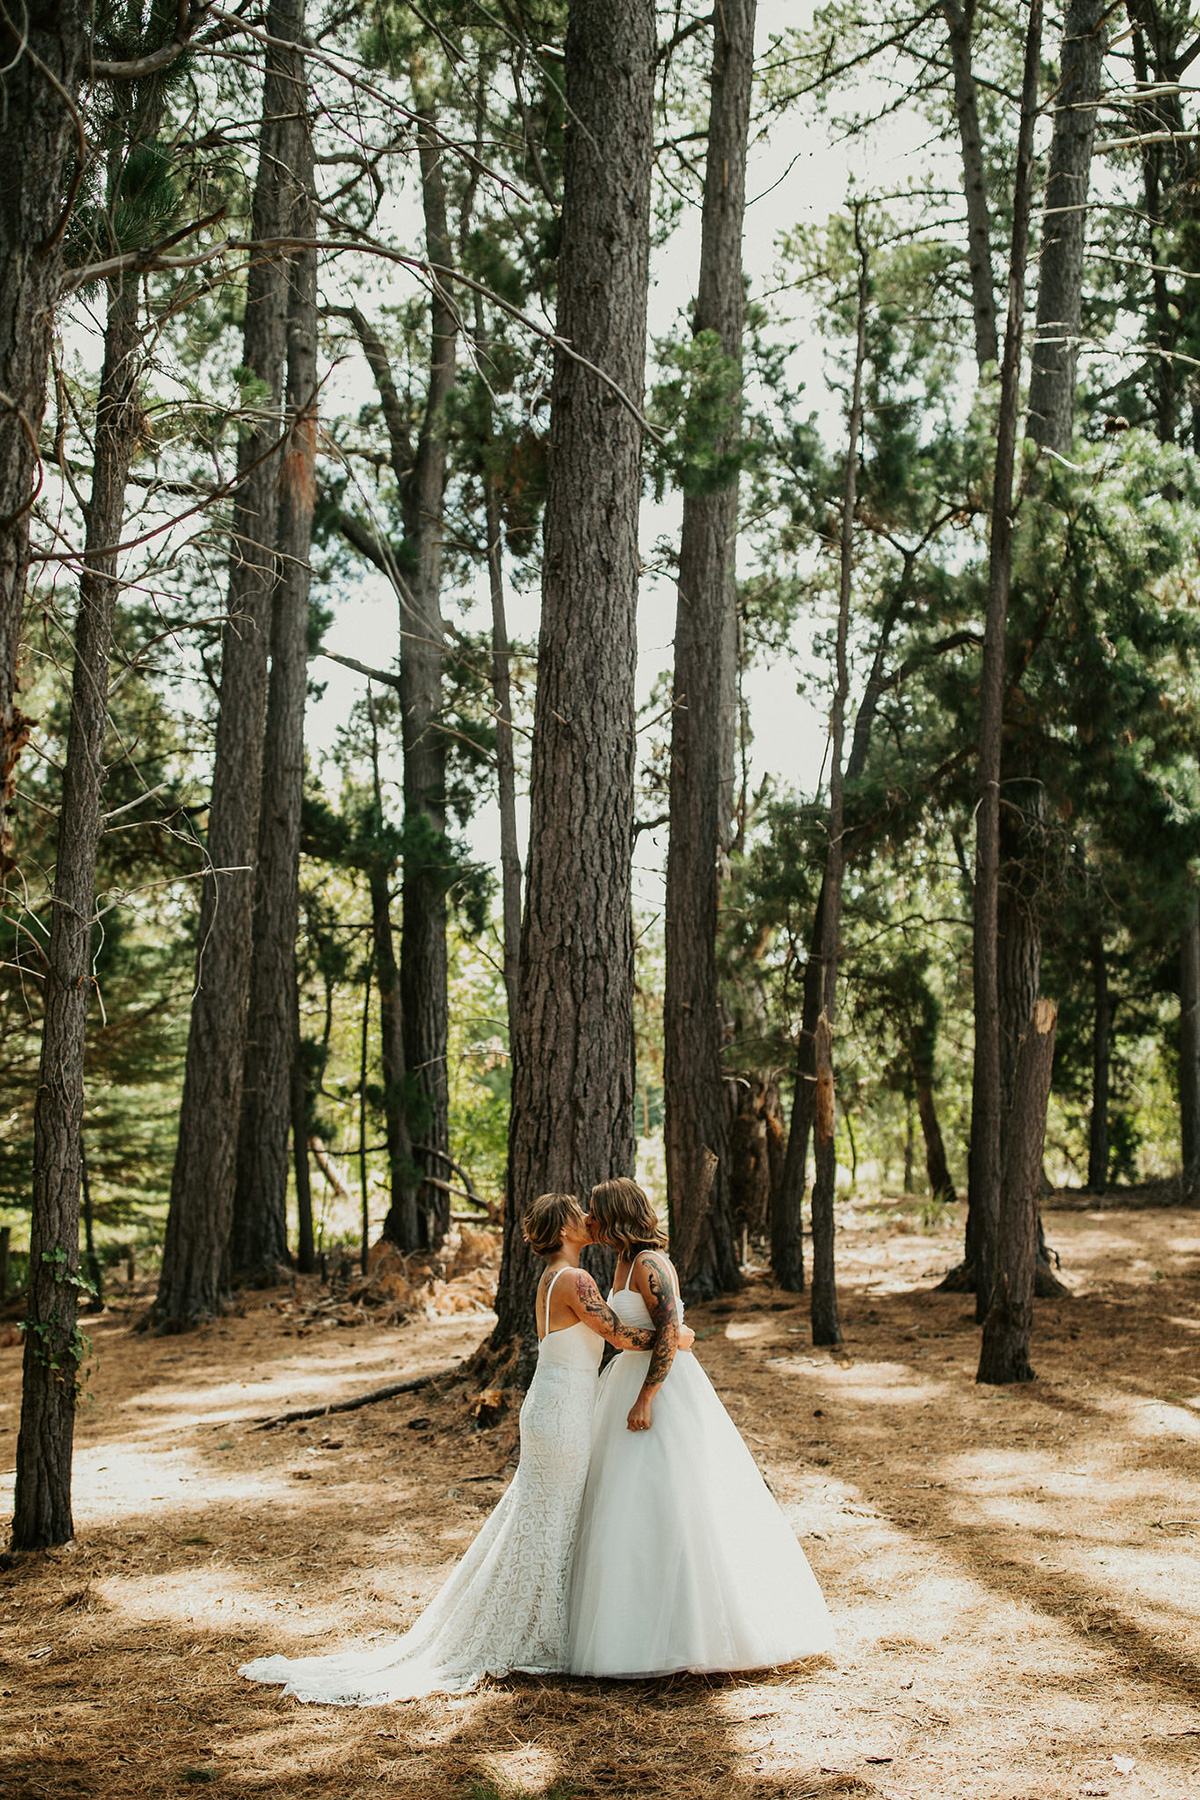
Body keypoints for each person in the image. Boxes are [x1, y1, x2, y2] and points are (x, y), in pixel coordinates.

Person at [240, 1192, 689, 1704]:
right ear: (563, 1231)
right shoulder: (574, 1279)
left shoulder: (555, 1278)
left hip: (555, 1406)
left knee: (546, 1518)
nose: (588, 1219)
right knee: (551, 1519)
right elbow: (623, 1337)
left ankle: (538, 1626)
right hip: (561, 1413)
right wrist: (677, 1336)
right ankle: (529, 1633)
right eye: (577, 1215)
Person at [567, 1177, 835, 1679]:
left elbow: (670, 1330)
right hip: (624, 1382)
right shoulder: (621, 1262)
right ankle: (633, 1632)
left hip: (662, 1390)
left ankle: (692, 1633)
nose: (591, 1222)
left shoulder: (649, 1263)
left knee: (675, 1496)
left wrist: (647, 1395)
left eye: (596, 1213)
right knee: (628, 1506)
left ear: (617, 1215)